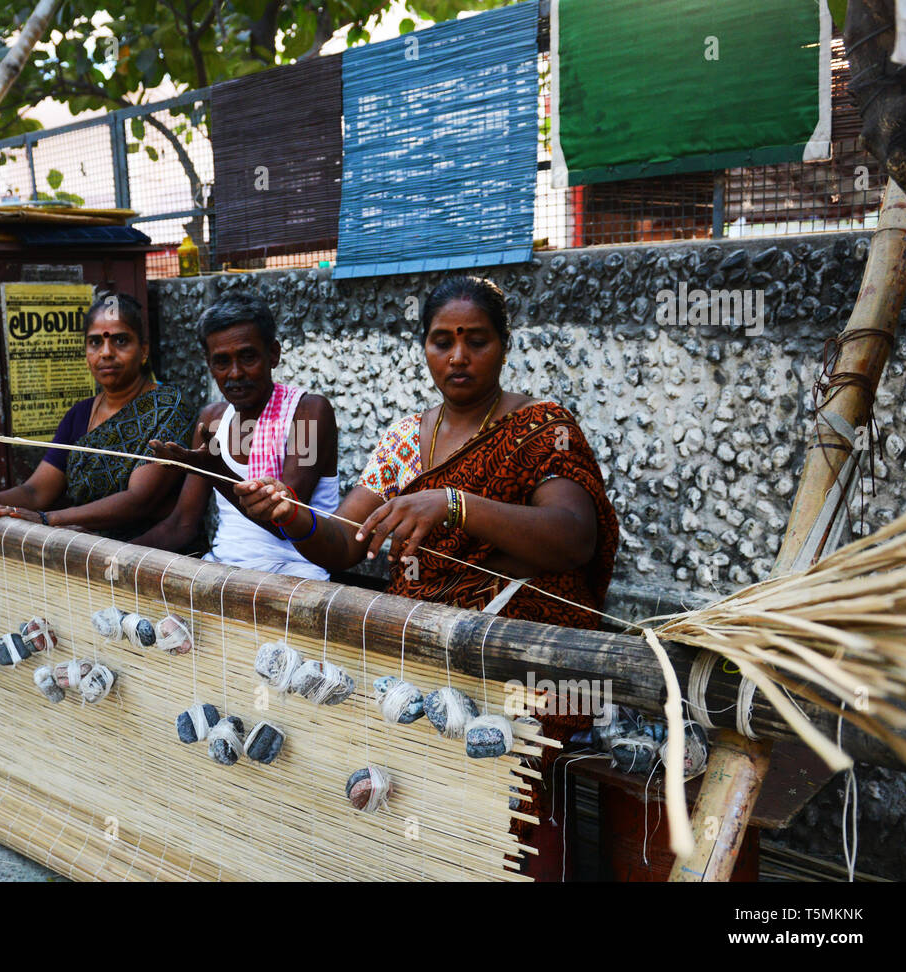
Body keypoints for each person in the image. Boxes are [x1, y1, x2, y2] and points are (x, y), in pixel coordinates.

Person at [233, 274, 619, 881]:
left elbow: (573, 536)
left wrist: (455, 503)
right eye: (442, 341)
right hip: (425, 649)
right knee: (429, 802)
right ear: (425, 348)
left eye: (477, 340)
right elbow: (344, 545)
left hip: (522, 655)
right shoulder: (405, 442)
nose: (459, 356)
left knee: (525, 806)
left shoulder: (544, 428)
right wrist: (291, 517)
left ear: (505, 345)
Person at [0, 292, 197, 541]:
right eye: (95, 342)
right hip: (80, 549)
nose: (106, 353)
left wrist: (48, 521)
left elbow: (139, 500)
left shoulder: (169, 407)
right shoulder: (80, 415)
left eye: (121, 341)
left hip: (145, 556)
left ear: (143, 350)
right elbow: (35, 492)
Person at [134, 292, 340, 580]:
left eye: (247, 357)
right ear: (209, 364)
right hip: (222, 569)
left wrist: (215, 469)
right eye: (222, 362)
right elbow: (182, 523)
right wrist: (109, 552)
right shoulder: (213, 419)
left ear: (273, 354)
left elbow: (284, 519)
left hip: (296, 578)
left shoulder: (308, 412)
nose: (235, 373)